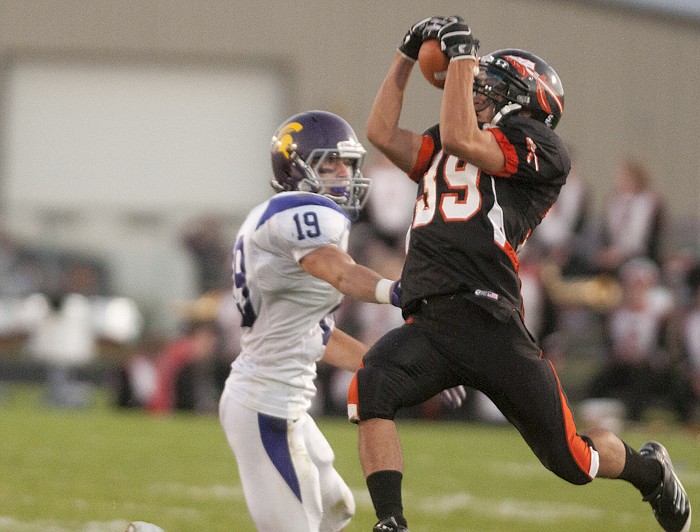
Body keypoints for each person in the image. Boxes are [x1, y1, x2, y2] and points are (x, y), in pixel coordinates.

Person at [348, 16, 691, 532]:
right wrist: (402, 58)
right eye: (477, 81)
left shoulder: (539, 146)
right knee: (371, 386)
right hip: (433, 317)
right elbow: (379, 133)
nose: (477, 90)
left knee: (574, 461)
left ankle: (650, 472)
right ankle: (391, 522)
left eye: (490, 85)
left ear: (522, 98)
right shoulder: (451, 136)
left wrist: (462, 57)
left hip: (489, 319)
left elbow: (464, 138)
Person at [218, 111, 463, 531]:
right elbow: (343, 273)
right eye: (329, 163)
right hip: (265, 405)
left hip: (282, 402)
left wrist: (402, 370)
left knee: (337, 509)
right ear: (296, 168)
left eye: (347, 164)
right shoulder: (301, 214)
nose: (343, 174)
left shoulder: (289, 219)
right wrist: (398, 291)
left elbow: (318, 335)